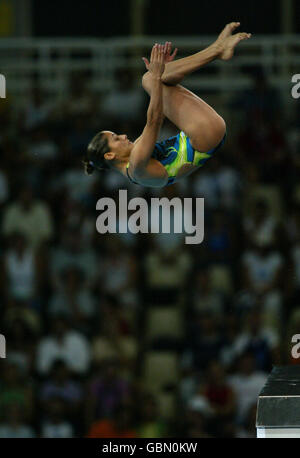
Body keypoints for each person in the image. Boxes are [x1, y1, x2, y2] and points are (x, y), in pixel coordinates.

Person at [83, 23, 251, 188]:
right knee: (151, 79)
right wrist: (158, 77)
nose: (124, 136)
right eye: (116, 138)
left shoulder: (135, 157)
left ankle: (217, 50)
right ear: (110, 155)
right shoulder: (137, 165)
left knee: (153, 78)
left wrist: (166, 76)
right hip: (204, 134)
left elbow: (160, 107)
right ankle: (217, 49)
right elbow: (154, 121)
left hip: (200, 134)